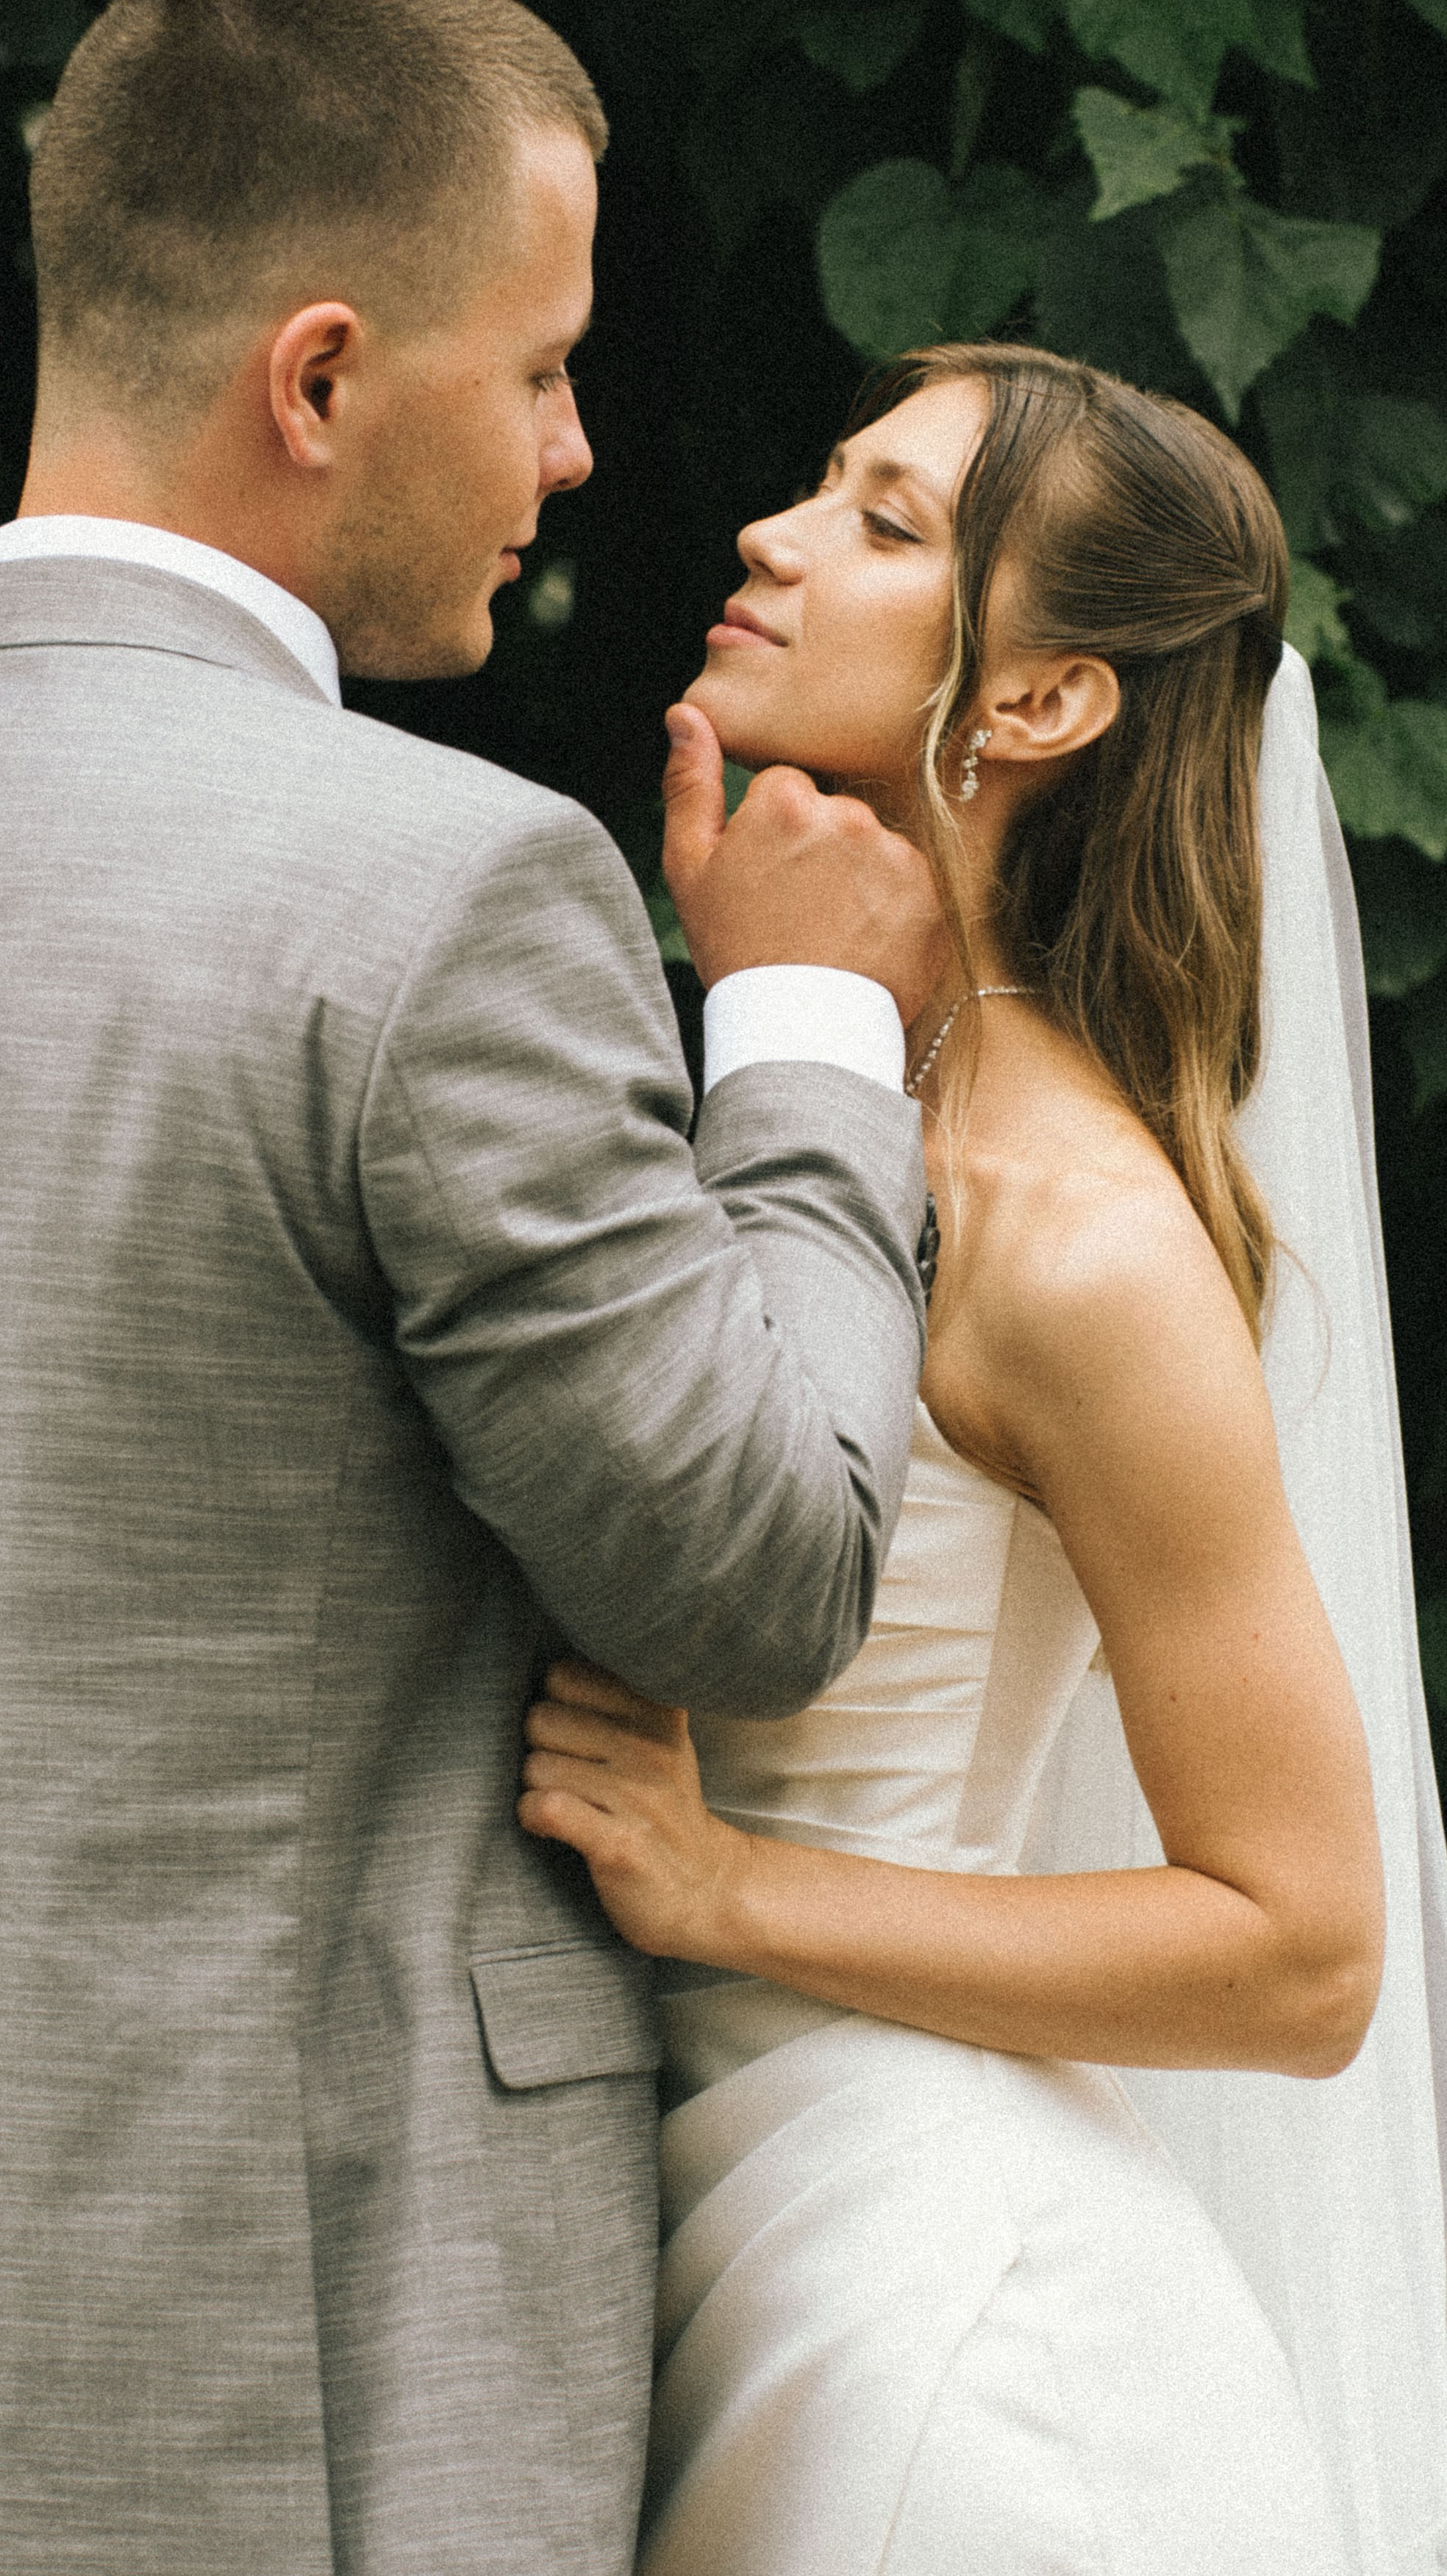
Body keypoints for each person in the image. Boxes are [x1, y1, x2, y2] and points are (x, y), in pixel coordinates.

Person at [0, 5, 949, 2571]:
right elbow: (749, 1569)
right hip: (280, 2345)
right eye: (538, 367)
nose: (578, 453)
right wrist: (809, 1029)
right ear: (320, 379)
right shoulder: (439, 894)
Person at [518, 345, 1447, 2574]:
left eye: (885, 525)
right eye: (816, 487)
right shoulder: (807, 1094)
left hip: (949, 2350)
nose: (771, 540)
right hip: (703, 2229)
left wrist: (732, 1890)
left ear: (1049, 704)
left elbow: (1299, 1948)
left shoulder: (1079, 1236)